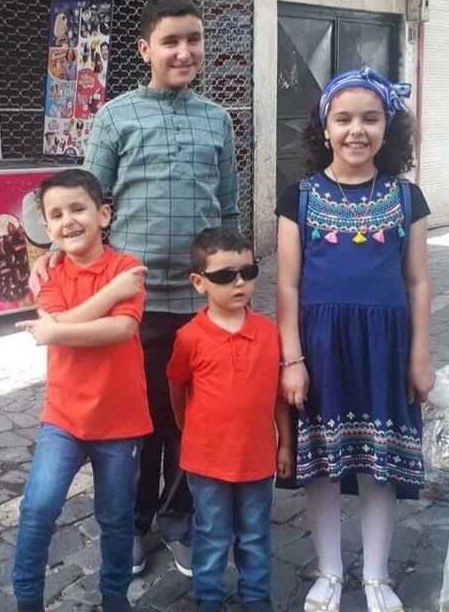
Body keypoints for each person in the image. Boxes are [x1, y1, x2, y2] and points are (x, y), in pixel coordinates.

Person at [30, 0, 240, 577]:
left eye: (193, 40)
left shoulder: (218, 120)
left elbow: (228, 209)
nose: (184, 51)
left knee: (194, 420)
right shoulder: (117, 116)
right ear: (145, 49)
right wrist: (48, 253)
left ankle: (181, 520)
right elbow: (82, 198)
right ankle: (134, 525)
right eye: (170, 41)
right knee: (140, 422)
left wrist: (233, 281)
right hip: (134, 302)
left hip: (200, 301)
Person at [275, 68, 434, 612]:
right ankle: (328, 570)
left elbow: (417, 281)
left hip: (386, 349)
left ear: (389, 128)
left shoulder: (407, 197)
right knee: (322, 462)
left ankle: (376, 575)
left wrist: (420, 355)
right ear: (325, 128)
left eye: (370, 118)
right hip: (320, 348)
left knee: (379, 465)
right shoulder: (298, 197)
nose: (356, 130)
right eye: (343, 119)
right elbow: (287, 284)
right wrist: (292, 359)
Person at [12, 169, 152, 612]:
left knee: (116, 518)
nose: (68, 220)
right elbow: (53, 325)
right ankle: (27, 600)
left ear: (103, 214)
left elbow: (120, 328)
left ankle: (115, 597)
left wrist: (57, 329)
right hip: (64, 419)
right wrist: (108, 295)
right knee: (38, 509)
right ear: (47, 227)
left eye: (78, 209)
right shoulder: (49, 275)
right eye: (56, 215)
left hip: (120, 421)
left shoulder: (127, 268)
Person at [167, 227, 293, 612]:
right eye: (225, 275)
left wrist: (285, 443)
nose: (239, 282)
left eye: (248, 272)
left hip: (257, 459)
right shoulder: (189, 337)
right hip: (206, 462)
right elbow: (177, 389)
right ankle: (209, 598)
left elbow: (276, 395)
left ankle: (256, 598)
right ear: (199, 282)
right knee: (211, 534)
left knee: (255, 535)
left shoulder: (269, 333)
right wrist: (189, 432)